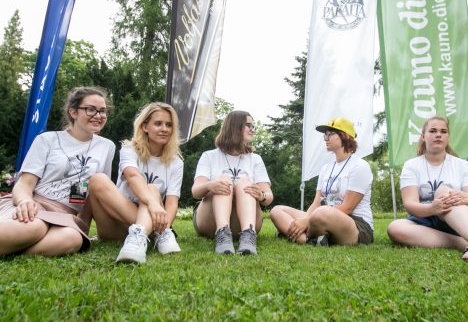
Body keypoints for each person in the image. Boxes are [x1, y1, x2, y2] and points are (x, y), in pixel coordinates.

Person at [0, 86, 115, 258]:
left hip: (65, 215)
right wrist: (24, 202)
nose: (98, 116)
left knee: (72, 239)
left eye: (103, 111)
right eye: (91, 109)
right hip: (33, 203)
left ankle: (6, 248)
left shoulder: (106, 146)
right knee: (34, 227)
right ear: (73, 112)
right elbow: (25, 182)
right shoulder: (47, 139)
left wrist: (82, 225)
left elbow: (93, 195)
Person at [87, 102, 183, 264]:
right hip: (114, 225)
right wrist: (153, 203)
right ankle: (143, 233)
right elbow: (132, 176)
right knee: (98, 179)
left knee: (152, 187)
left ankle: (139, 237)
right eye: (158, 123)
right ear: (145, 126)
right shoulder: (129, 149)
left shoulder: (176, 162)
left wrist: (164, 225)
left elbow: (172, 202)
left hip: (152, 228)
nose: (164, 129)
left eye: (169, 125)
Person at [270, 117, 373, 246]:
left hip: (356, 224)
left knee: (322, 212)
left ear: (345, 136)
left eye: (330, 134)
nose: (326, 138)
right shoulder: (326, 168)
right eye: (325, 135)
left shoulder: (360, 166)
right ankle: (307, 239)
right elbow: (316, 202)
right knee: (277, 211)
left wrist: (307, 221)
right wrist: (304, 219)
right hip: (321, 217)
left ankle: (297, 234)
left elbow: (347, 208)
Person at [192, 110, 273, 255]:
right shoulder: (209, 156)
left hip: (246, 222)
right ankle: (222, 234)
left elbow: (268, 196)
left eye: (253, 126)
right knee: (224, 180)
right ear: (235, 127)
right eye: (248, 125)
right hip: (210, 221)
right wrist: (210, 185)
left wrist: (261, 195)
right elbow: (196, 191)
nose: (252, 129)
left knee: (244, 183)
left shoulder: (255, 159)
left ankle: (248, 235)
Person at [387, 116, 468, 261]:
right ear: (423, 136)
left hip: (456, 217)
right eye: (433, 131)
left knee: (443, 191)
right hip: (424, 219)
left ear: (447, 137)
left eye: (443, 131)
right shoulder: (411, 165)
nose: (438, 135)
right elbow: (410, 204)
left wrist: (464, 197)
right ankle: (461, 243)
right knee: (395, 228)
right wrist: (432, 209)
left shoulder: (462, 165)